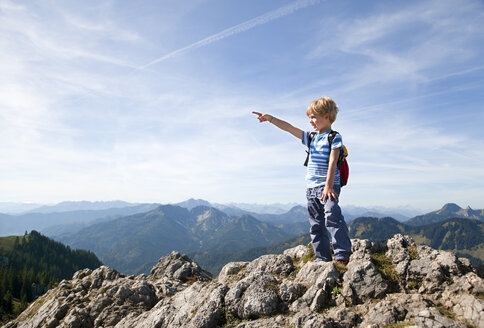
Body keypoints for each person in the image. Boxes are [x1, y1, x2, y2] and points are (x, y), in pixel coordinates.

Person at [252, 97, 352, 265]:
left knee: (332, 215)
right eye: (309, 117)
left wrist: (328, 186)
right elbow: (290, 128)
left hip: (328, 186)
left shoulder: (334, 137)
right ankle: (322, 258)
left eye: (314, 117)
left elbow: (333, 161)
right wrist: (270, 119)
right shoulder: (311, 138)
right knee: (316, 224)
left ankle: (342, 256)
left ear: (326, 116)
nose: (311, 121)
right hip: (311, 188)